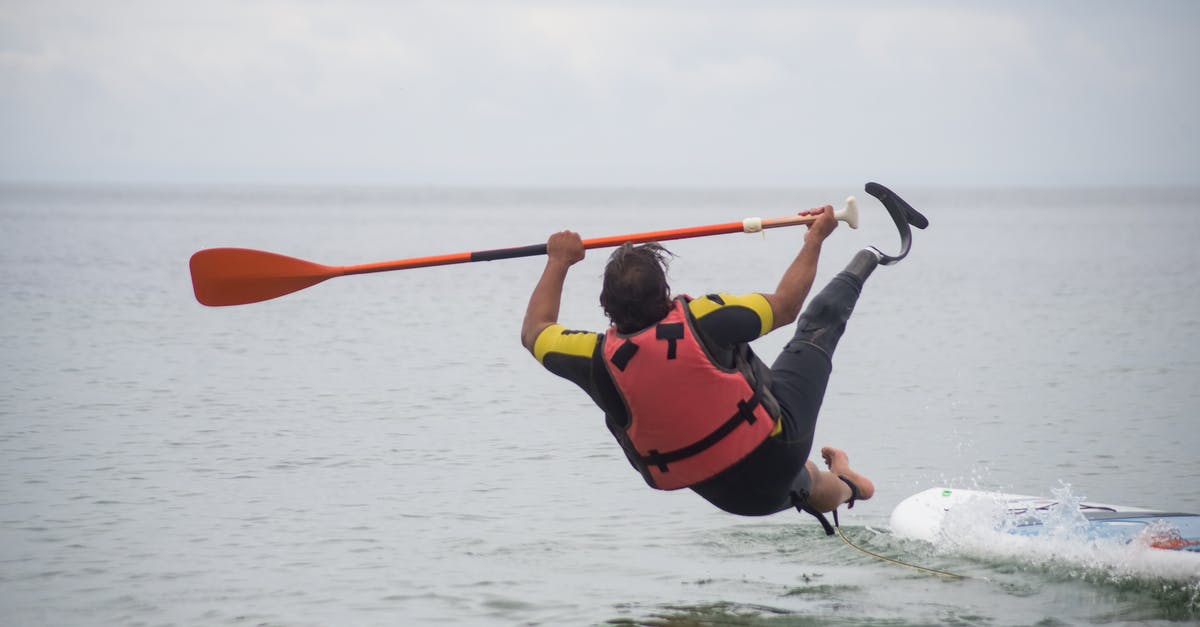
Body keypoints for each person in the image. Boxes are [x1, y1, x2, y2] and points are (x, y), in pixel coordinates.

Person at [520, 203, 901, 530]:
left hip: (728, 495)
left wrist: (559, 261)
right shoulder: (703, 318)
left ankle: (852, 485)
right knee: (816, 327)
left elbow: (535, 331)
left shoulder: (593, 358)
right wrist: (815, 238)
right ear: (664, 291)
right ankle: (870, 255)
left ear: (606, 305)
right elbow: (786, 305)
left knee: (805, 483)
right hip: (775, 450)